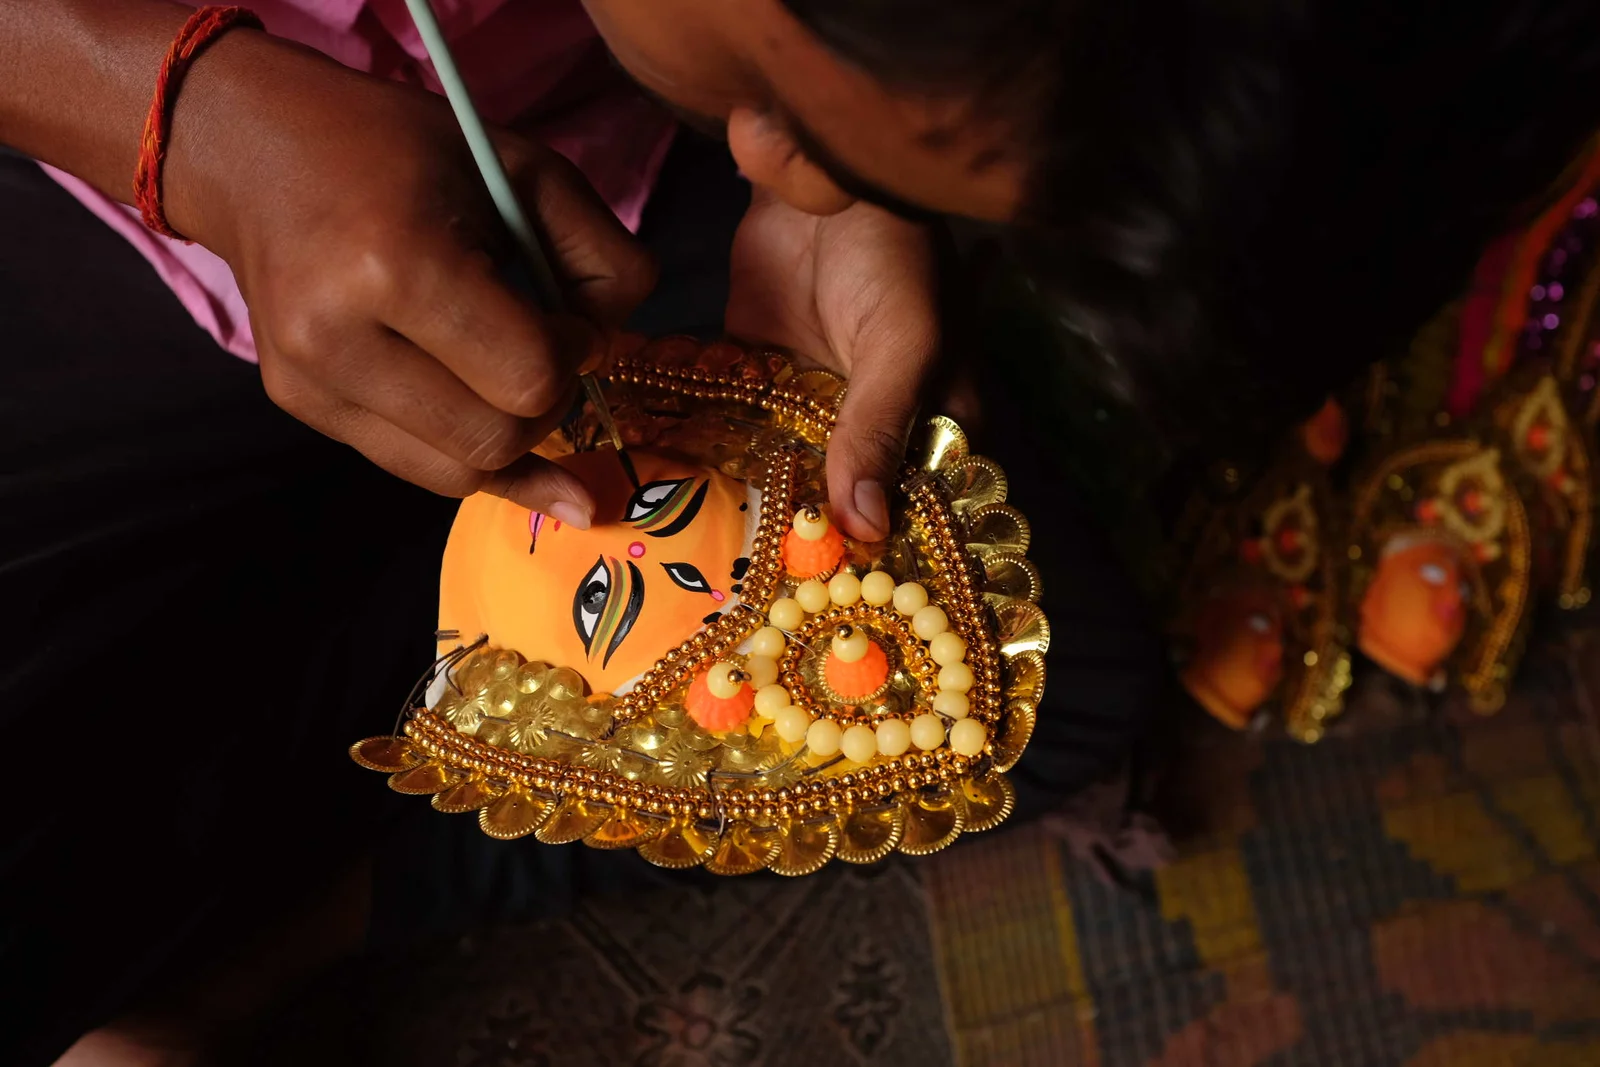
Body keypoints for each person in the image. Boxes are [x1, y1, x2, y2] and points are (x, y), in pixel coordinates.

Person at [4, 1, 1598, 1064]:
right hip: (85, 193)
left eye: (815, 121)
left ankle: (252, 926)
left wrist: (837, 200)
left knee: (1021, 684)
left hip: (606, 178)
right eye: (779, 114)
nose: (774, 143)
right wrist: (182, 115)